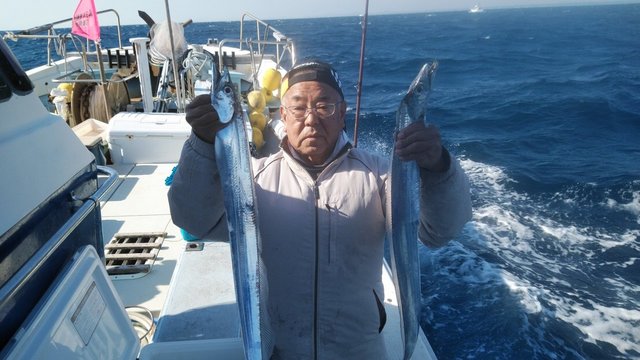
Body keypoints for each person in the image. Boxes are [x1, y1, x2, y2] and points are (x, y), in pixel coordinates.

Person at [168, 59, 472, 359]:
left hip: (359, 352)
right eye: (299, 107)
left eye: (324, 106)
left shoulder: (379, 176)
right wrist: (203, 145)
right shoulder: (254, 180)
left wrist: (438, 166)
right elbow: (194, 221)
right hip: (277, 350)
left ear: (342, 115)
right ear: (283, 116)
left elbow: (439, 232)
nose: (311, 119)